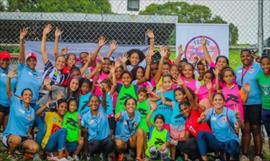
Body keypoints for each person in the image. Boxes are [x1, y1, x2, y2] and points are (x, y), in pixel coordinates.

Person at [235, 49, 262, 161]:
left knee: (255, 128)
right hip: (243, 104)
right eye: (243, 56)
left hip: (256, 103)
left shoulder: (258, 67)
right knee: (245, 129)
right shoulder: (237, 70)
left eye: (247, 56)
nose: (245, 58)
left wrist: (260, 60)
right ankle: (245, 154)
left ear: (251, 56)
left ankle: (258, 155)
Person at [197, 93, 241, 161]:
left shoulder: (229, 112)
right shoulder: (210, 111)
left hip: (229, 141)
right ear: (213, 102)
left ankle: (231, 155)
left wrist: (238, 119)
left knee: (233, 145)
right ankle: (205, 159)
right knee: (201, 134)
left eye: (220, 100)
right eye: (215, 100)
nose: (217, 102)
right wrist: (200, 118)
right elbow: (200, 121)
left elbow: (237, 128)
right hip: (217, 141)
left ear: (224, 102)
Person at [2, 87, 40, 161]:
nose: (28, 96)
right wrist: (9, 79)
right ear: (21, 97)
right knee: (17, 139)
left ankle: (20, 152)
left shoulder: (32, 111)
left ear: (32, 97)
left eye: (30, 95)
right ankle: (10, 153)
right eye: (25, 94)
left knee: (35, 148)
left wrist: (29, 133)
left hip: (23, 137)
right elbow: (9, 91)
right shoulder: (15, 104)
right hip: (10, 135)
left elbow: (30, 125)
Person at [81, 95, 114, 161]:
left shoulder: (102, 109)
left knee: (110, 143)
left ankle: (104, 154)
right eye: (92, 101)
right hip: (93, 140)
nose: (94, 103)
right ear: (88, 103)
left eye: (96, 101)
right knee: (96, 143)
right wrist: (85, 150)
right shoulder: (85, 116)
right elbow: (82, 128)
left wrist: (104, 92)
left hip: (104, 139)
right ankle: (90, 154)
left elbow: (104, 102)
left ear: (99, 103)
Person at [15, 28, 43, 108]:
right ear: (26, 62)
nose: (31, 62)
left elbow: (40, 87)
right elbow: (21, 57)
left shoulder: (39, 74)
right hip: (20, 101)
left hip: (33, 103)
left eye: (33, 60)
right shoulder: (22, 68)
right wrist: (21, 41)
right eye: (29, 60)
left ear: (36, 62)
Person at [256, 56, 270, 151]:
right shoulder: (258, 77)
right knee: (269, 135)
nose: (266, 66)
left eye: (268, 64)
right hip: (265, 109)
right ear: (260, 65)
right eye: (263, 64)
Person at [0, 51, 16, 130]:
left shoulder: (12, 71)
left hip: (10, 104)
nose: (5, 62)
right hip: (0, 103)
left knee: (6, 130)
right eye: (3, 60)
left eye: (7, 60)